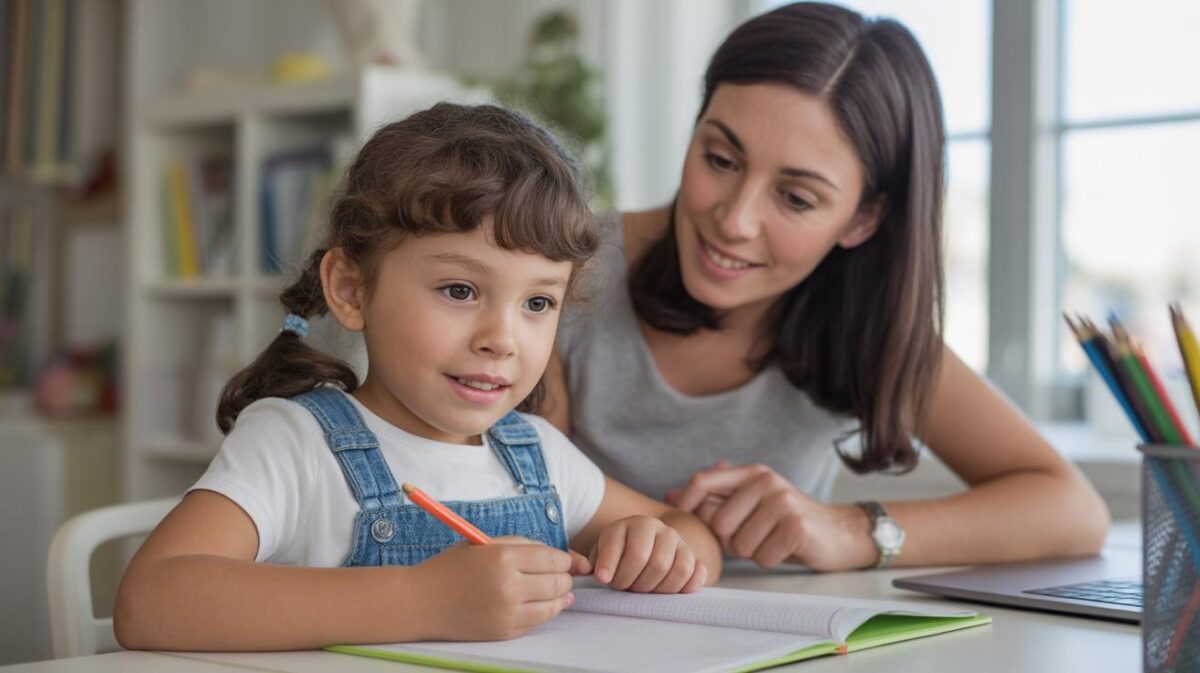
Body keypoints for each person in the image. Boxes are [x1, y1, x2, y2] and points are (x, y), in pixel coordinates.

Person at [114, 103, 722, 651]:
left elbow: (691, 533)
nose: (502, 338)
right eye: (459, 290)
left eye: (537, 303)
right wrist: (425, 600)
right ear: (351, 290)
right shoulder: (295, 443)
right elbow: (151, 601)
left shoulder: (538, 454)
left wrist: (655, 549)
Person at [545, 2, 1109, 573]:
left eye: (796, 198)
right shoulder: (561, 269)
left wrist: (852, 530)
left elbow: (1074, 511)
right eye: (720, 159)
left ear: (863, 219)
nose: (735, 220)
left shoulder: (864, 323)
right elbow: (531, 511)